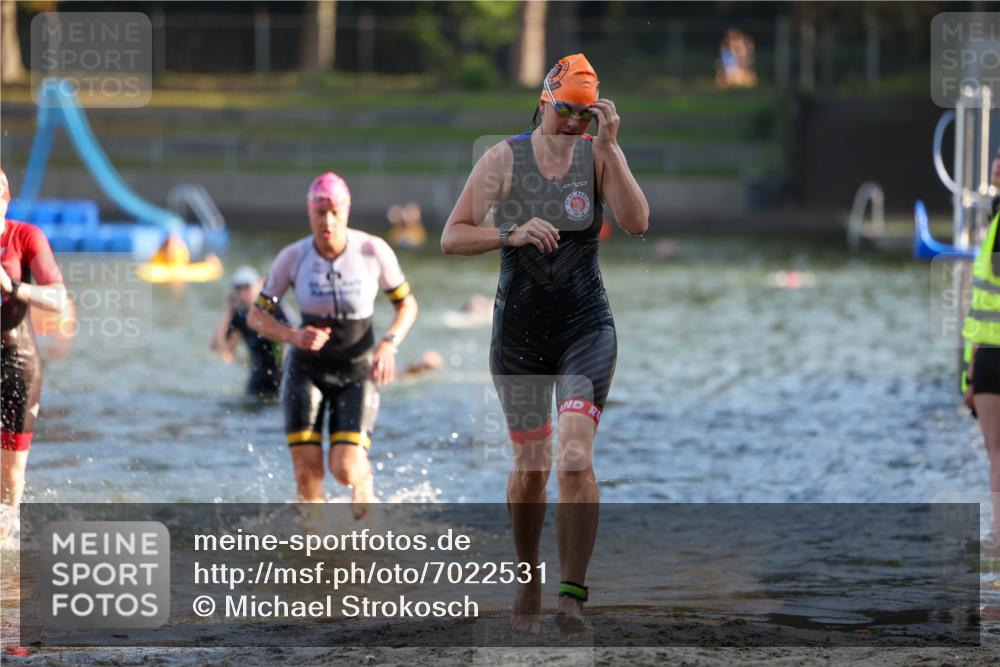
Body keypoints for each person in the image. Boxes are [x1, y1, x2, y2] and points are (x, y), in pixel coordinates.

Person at [440, 53, 649, 633]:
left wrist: (609, 147)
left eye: (586, 116)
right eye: (565, 111)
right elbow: (451, 237)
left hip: (587, 327)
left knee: (576, 456)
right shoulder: (503, 158)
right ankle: (528, 574)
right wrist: (511, 231)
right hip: (520, 338)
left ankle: (572, 595)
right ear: (543, 99)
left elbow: (637, 222)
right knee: (532, 467)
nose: (573, 123)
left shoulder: (598, 154)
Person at [249, 172, 418, 519]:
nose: (327, 221)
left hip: (357, 370)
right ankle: (314, 551)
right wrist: (294, 335)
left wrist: (389, 344)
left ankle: (364, 478)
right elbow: (255, 317)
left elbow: (407, 304)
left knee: (343, 467)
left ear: (346, 211)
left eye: (334, 212)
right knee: (307, 475)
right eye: (319, 213)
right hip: (306, 370)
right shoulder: (293, 257)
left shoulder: (371, 250)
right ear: (309, 214)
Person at [0, 168, 68, 538]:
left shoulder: (25, 237)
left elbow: (57, 298)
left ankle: (4, 542)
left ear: (4, 199)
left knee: (10, 471)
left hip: (16, 362)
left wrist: (12, 285)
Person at [963, 147, 1000, 558]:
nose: (997, 163)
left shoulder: (995, 226)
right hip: (987, 357)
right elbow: (979, 310)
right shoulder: (993, 223)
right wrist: (970, 377)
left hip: (990, 357)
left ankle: (998, 539)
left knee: (997, 455)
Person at [210, 266, 293, 399]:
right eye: (238, 288)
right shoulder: (240, 316)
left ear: (259, 284)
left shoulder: (274, 308)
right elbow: (217, 346)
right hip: (257, 378)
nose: (243, 292)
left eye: (247, 287)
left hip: (284, 377)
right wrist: (227, 311)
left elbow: (296, 334)